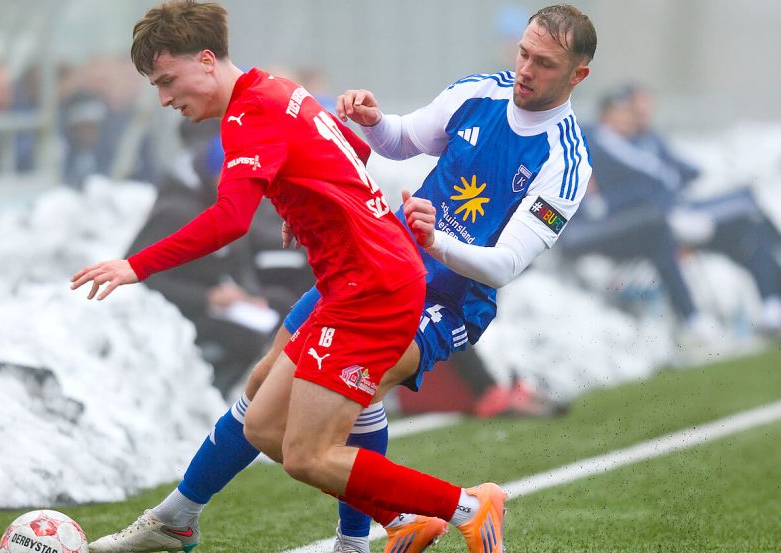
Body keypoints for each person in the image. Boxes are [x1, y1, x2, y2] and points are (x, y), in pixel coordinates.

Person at [78, 4, 595, 553]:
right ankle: (189, 517)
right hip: (373, 258)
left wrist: (436, 242)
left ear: (576, 75)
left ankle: (381, 531)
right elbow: (393, 141)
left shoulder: (566, 161)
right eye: (522, 54)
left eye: (542, 62)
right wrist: (369, 127)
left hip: (442, 296)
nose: (524, 69)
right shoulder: (480, 91)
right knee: (262, 399)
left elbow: (507, 264)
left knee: (331, 415)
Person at [565, 87, 781, 337]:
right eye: (624, 112)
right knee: (662, 238)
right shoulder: (595, 139)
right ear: (607, 114)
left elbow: (678, 170)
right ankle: (693, 320)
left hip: (678, 214)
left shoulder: (644, 139)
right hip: (643, 223)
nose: (631, 119)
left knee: (746, 224)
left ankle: (771, 304)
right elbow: (625, 190)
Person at [128, 120, 282, 395]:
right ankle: (214, 398)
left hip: (223, 306)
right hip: (175, 314)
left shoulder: (230, 210)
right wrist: (206, 297)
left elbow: (237, 265)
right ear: (213, 173)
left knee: (281, 316)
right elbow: (137, 278)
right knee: (245, 338)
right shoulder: (177, 212)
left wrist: (249, 296)